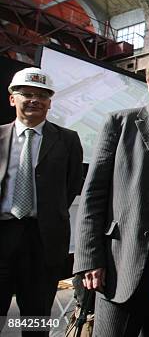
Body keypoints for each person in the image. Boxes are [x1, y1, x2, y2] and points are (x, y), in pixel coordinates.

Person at [73, 52, 149, 336]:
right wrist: (89, 258)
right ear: (148, 82)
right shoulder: (119, 123)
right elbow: (94, 194)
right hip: (119, 260)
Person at [0, 67, 83, 336]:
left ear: (50, 102)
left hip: (43, 243)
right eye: (26, 94)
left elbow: (70, 186)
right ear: (12, 98)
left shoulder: (68, 140)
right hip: (2, 236)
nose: (34, 100)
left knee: (35, 321)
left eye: (42, 95)